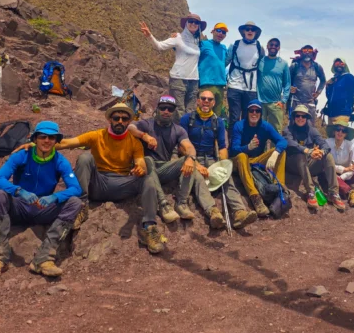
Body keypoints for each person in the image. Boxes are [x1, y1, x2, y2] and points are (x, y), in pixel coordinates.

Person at [50, 103, 169, 254]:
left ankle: (149, 227)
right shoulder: (97, 135)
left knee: (148, 179)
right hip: (97, 182)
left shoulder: (134, 142)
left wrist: (140, 168)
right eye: (116, 117)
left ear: (128, 122)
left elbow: (141, 162)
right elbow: (68, 142)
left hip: (121, 184)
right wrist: (39, 145)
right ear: (110, 120)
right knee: (85, 157)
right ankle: (81, 206)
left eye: (124, 118)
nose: (120, 121)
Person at [0, 121, 83, 279]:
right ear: (35, 139)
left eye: (52, 137)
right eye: (43, 136)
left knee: (75, 202)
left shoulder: (60, 160)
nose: (47, 141)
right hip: (19, 206)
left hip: (43, 208)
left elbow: (75, 188)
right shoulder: (21, 155)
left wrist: (55, 197)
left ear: (56, 140)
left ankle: (44, 259)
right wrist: (19, 191)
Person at [130, 95, 225, 229]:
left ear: (174, 111)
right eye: (163, 108)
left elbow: (189, 147)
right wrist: (144, 136)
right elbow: (130, 128)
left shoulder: (178, 129)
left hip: (165, 168)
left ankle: (184, 203)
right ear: (157, 109)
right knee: (148, 159)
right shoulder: (147, 124)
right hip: (147, 171)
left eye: (170, 109)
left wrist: (191, 159)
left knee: (189, 162)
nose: (166, 111)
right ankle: (163, 205)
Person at [179, 90, 258, 229]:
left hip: (210, 156)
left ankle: (239, 211)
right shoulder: (187, 119)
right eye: (203, 98)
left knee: (226, 177)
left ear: (214, 103)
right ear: (197, 100)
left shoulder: (218, 121)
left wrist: (223, 164)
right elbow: (181, 147)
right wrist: (196, 164)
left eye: (210, 99)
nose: (206, 101)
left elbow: (222, 147)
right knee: (197, 178)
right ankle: (213, 211)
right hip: (191, 158)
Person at [141, 13, 205, 121]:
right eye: (191, 22)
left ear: (199, 26)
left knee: (190, 110)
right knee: (179, 110)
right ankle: (178, 135)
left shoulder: (198, 42)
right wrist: (149, 36)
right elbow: (160, 46)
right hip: (178, 78)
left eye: (196, 22)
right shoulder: (178, 38)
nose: (193, 24)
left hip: (194, 80)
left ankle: (186, 134)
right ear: (186, 23)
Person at [230, 99, 288, 217]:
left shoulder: (265, 126)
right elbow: (233, 149)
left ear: (261, 113)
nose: (254, 113)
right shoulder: (239, 125)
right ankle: (255, 198)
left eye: (257, 111)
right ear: (247, 112)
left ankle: (280, 188)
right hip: (239, 161)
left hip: (256, 161)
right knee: (242, 156)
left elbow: (282, 141)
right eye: (252, 110)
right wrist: (248, 147)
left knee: (282, 152)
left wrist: (276, 152)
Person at [283, 104, 345, 212]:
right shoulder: (288, 130)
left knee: (328, 156)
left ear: (307, 118)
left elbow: (324, 145)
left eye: (303, 116)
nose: (300, 119)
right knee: (300, 155)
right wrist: (307, 151)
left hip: (308, 165)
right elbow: (289, 143)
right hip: (293, 165)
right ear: (294, 117)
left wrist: (321, 152)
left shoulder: (312, 131)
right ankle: (310, 192)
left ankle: (333, 193)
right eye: (298, 116)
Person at [226, 21, 264, 125]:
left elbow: (262, 67)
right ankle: (233, 141)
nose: (250, 31)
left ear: (256, 32)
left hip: (251, 88)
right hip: (235, 85)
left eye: (252, 29)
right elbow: (225, 62)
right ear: (243, 31)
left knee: (248, 118)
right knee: (234, 117)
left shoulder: (259, 47)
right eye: (247, 29)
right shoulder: (235, 45)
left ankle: (245, 141)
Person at [257, 38, 290, 132]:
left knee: (276, 132)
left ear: (279, 48)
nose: (273, 47)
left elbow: (287, 83)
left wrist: (283, 100)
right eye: (271, 44)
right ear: (267, 46)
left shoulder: (283, 64)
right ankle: (260, 148)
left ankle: (274, 148)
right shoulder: (260, 61)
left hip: (275, 103)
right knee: (259, 131)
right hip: (260, 102)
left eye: (276, 45)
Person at [198, 22, 229, 118]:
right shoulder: (203, 44)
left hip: (220, 86)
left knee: (216, 115)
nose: (221, 34)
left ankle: (214, 133)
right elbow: (188, 50)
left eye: (223, 32)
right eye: (218, 30)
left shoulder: (224, 48)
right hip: (206, 84)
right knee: (203, 113)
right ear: (213, 31)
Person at [323, 58, 354, 123]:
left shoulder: (348, 77)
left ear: (345, 66)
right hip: (331, 114)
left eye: (342, 63)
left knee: (340, 132)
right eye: (337, 63)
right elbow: (329, 97)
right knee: (332, 133)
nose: (339, 65)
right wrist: (327, 87)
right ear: (334, 66)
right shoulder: (333, 80)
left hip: (343, 113)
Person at [289, 45, 327, 121]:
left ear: (312, 53)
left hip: (310, 101)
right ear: (301, 53)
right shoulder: (295, 66)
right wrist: (290, 87)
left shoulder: (317, 67)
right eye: (305, 50)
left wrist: (318, 92)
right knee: (294, 125)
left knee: (310, 126)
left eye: (309, 51)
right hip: (296, 101)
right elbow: (286, 80)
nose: (307, 53)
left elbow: (323, 80)